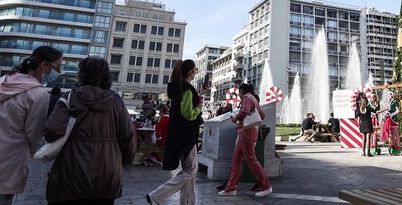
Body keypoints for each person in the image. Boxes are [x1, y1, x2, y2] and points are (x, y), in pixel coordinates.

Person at [44, 57, 136, 205]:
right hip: (107, 172)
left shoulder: (70, 97)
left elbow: (52, 129)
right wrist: (123, 160)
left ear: (82, 74)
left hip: (71, 170)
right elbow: (128, 137)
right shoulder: (116, 101)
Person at [0, 46, 63, 205]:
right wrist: (32, 152)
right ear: (44, 66)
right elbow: (34, 135)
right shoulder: (38, 95)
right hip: (9, 160)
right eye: (57, 67)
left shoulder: (4, 81)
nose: (59, 71)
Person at [146, 60, 204, 205]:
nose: (196, 72)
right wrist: (199, 107)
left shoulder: (178, 88)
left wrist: (201, 94)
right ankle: (157, 196)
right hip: (187, 135)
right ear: (191, 72)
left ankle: (188, 203)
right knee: (191, 170)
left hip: (179, 134)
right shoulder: (188, 89)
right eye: (195, 70)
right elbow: (188, 114)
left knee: (188, 172)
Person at [218, 84, 272, 197]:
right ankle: (230, 188)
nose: (239, 96)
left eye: (239, 93)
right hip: (247, 132)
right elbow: (261, 115)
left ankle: (265, 186)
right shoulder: (253, 98)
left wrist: (236, 118)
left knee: (250, 160)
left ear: (241, 91)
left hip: (246, 132)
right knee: (236, 159)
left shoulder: (247, 98)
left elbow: (244, 111)